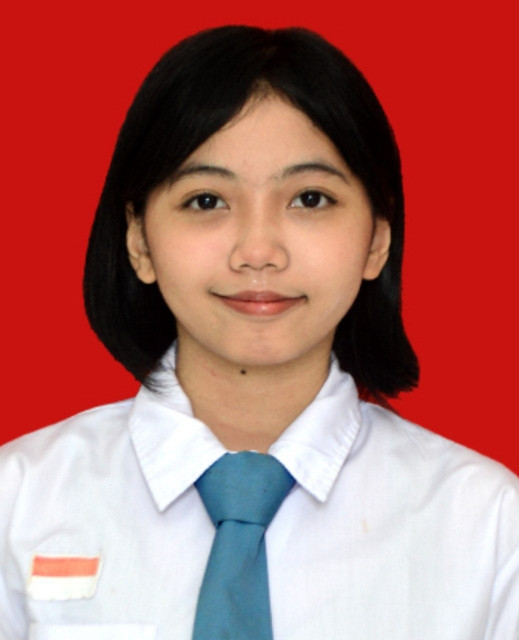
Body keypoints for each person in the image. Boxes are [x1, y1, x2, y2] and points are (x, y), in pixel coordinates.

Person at [0, 25, 517, 640]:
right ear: (138, 240)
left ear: (377, 238)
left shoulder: (487, 524)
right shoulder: (18, 502)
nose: (258, 251)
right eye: (206, 201)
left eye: (310, 199)